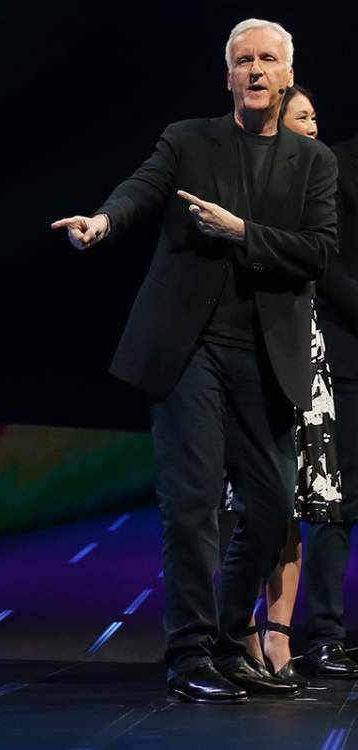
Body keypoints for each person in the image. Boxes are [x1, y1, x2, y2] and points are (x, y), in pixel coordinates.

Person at [51, 19, 338, 703]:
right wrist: (103, 223)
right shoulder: (190, 140)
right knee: (192, 506)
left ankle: (227, 639)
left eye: (269, 59)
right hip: (186, 354)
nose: (256, 70)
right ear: (228, 74)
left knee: (270, 510)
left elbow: (319, 251)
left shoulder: (312, 162)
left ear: (287, 73)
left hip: (267, 359)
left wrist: (241, 232)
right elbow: (140, 190)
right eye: (244, 60)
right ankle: (189, 659)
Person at [225, 84, 333, 690]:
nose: (311, 126)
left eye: (315, 116)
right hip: (243, 348)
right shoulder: (244, 180)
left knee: (293, 504)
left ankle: (281, 633)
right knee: (244, 505)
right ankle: (234, 630)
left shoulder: (320, 186)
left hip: (303, 354)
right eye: (301, 117)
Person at [301, 113, 358, 679]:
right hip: (350, 355)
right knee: (338, 502)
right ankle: (324, 635)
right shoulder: (337, 165)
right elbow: (328, 263)